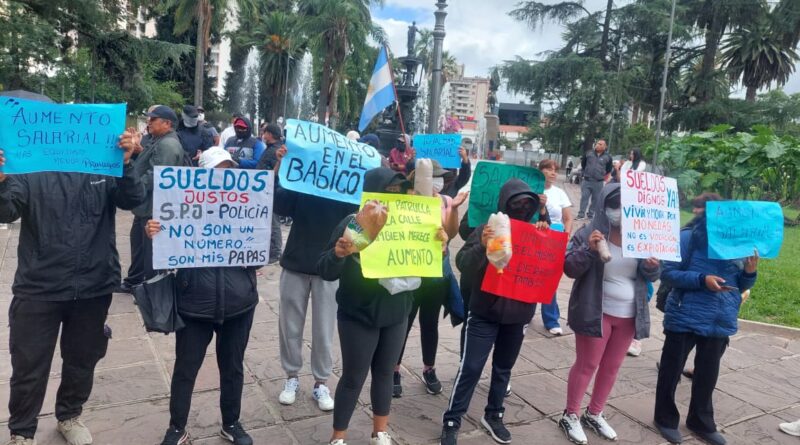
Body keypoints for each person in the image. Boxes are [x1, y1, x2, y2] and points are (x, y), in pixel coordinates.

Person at [0, 95, 145, 445]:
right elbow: (6, 212)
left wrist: (127, 162)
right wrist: (2, 182)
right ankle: (22, 431)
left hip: (94, 284)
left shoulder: (101, 163)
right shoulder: (28, 165)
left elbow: (133, 199)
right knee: (28, 366)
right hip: (39, 286)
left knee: (83, 359)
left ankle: (69, 415)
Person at [319, 168, 442, 445]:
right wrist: (339, 253)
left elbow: (428, 267)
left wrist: (438, 245)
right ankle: (338, 437)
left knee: (385, 373)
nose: (394, 197)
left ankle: (380, 432)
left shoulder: (412, 224)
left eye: (400, 191)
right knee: (354, 376)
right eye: (388, 191)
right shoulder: (355, 223)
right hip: (358, 313)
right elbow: (325, 269)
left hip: (397, 311)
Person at [150, 148, 258, 445]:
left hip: (239, 303)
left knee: (233, 367)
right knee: (186, 367)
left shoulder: (246, 204)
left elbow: (263, 251)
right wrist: (155, 234)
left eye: (228, 169)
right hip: (194, 303)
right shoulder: (182, 204)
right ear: (201, 175)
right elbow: (163, 257)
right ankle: (177, 428)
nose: (224, 176)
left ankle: (231, 423)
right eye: (217, 170)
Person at [441, 179, 549, 445]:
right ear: (504, 204)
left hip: (518, 314)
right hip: (484, 312)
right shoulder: (485, 229)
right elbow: (463, 263)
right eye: (517, 203)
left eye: (527, 204)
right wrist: (482, 244)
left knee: (504, 368)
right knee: (471, 367)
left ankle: (494, 414)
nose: (522, 208)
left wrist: (545, 230)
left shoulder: (535, 233)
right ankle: (453, 419)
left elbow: (551, 266)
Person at [558, 183, 660, 445]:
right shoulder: (588, 233)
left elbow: (650, 275)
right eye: (615, 205)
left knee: (612, 367)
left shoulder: (641, 236)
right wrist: (589, 252)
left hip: (628, 315)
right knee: (587, 364)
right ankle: (571, 414)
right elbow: (569, 267)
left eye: (626, 206)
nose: (620, 211)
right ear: (605, 206)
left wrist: (651, 267)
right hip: (596, 311)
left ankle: (595, 412)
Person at [654, 195, 759, 445]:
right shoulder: (689, 238)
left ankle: (701, 421)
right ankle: (665, 418)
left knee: (708, 374)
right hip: (685, 313)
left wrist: (750, 273)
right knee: (671, 369)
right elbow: (668, 273)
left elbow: (740, 284)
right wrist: (702, 280)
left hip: (720, 318)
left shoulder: (739, 245)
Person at [271, 146, 358, 412]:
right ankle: (291, 377)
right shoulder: (303, 183)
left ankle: (321, 382)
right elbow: (276, 200)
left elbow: (360, 217)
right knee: (289, 326)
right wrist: (281, 166)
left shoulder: (347, 188)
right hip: (296, 262)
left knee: (324, 329)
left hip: (329, 267)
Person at [394, 160, 469, 398]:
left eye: (440, 178)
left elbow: (452, 233)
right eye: (433, 177)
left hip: (436, 275)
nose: (437, 182)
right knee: (403, 323)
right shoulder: (406, 200)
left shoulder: (446, 201)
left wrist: (455, 208)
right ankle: (394, 369)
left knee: (430, 324)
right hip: (411, 272)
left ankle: (429, 368)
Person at [120, 105, 187, 293]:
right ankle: (135, 282)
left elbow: (157, 176)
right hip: (146, 206)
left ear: (167, 123)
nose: (148, 122)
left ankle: (151, 291)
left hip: (153, 208)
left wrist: (133, 186)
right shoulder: (160, 140)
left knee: (151, 253)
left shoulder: (168, 144)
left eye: (153, 119)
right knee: (140, 248)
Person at [536, 159, 574, 335]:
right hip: (534, 238)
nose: (552, 173)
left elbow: (568, 217)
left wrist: (565, 236)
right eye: (548, 169)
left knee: (550, 279)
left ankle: (551, 318)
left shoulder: (560, 193)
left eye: (555, 170)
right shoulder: (532, 188)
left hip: (555, 240)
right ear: (540, 170)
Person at [256, 123, 285, 264]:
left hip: (272, 190)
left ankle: (275, 252)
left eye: (264, 132)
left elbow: (277, 171)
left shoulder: (276, 150)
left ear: (270, 134)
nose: (262, 134)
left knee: (273, 221)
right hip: (267, 189)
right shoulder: (272, 148)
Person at [576, 140, 612, 220]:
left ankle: (590, 215)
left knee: (595, 199)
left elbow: (609, 169)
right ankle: (581, 214)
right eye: (597, 143)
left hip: (598, 182)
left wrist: (602, 175)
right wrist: (585, 172)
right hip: (587, 180)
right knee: (584, 197)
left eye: (600, 144)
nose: (597, 145)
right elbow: (583, 164)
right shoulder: (588, 153)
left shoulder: (608, 157)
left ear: (604, 147)